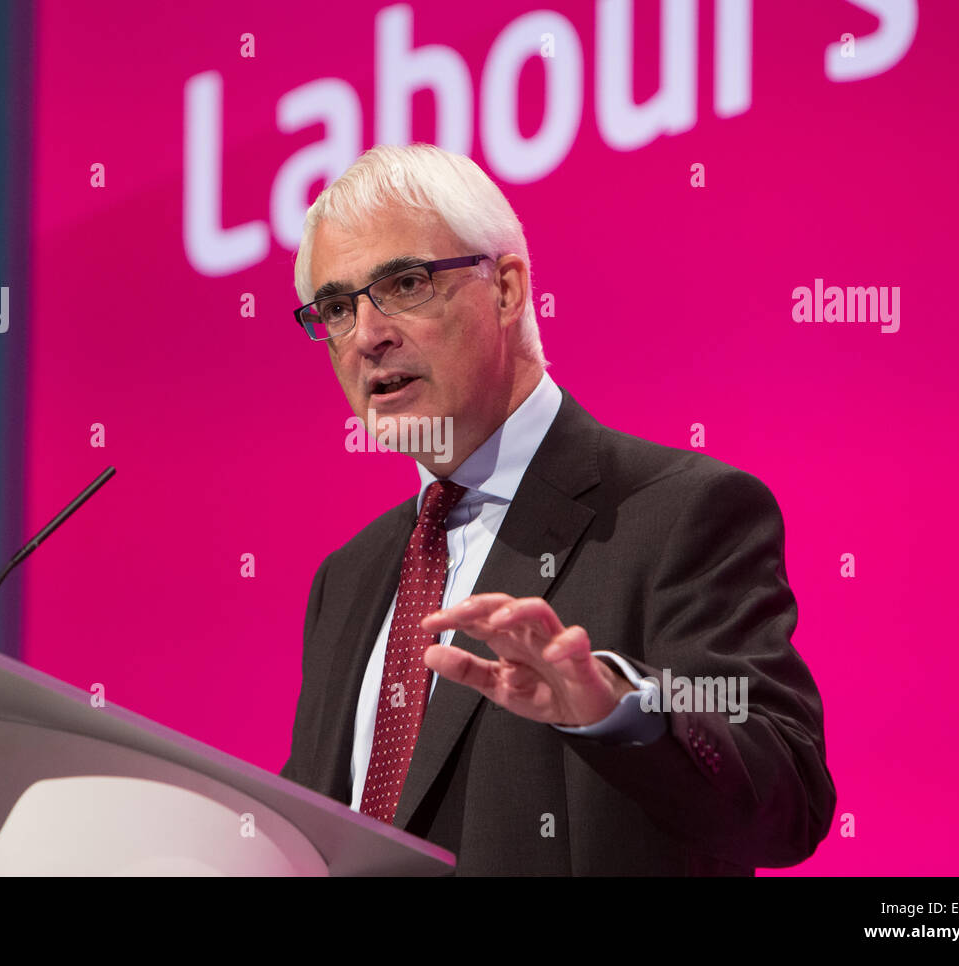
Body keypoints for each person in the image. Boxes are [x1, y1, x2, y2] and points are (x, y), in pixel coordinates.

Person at [280, 142, 835, 875]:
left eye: (406, 283)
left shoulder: (680, 513)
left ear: (506, 290)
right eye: (338, 307)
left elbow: (785, 799)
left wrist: (617, 709)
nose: (367, 336)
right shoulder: (347, 576)